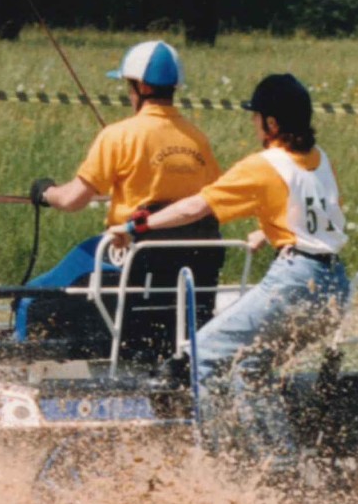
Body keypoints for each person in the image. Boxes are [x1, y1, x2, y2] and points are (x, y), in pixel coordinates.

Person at [107, 73, 350, 471]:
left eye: (256, 118)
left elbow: (194, 207)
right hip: (335, 286)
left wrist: (136, 226)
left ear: (272, 123)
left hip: (295, 282)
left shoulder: (264, 165)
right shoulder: (321, 159)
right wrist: (268, 231)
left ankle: (220, 467)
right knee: (252, 369)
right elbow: (320, 215)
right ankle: (282, 467)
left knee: (201, 358)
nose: (254, 125)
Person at [21, 41, 226, 359]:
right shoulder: (198, 139)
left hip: (129, 254)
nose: (129, 93)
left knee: (31, 296)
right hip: (187, 267)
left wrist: (46, 192)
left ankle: (18, 360)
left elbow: (73, 200)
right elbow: (203, 201)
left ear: (142, 87)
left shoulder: (120, 135)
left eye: (129, 86)